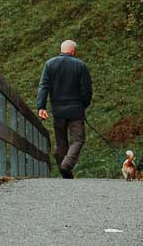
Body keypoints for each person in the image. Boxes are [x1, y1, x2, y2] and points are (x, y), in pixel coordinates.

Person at [36, 39, 92, 179]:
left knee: (61, 141)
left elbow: (44, 86)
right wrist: (83, 105)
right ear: (73, 51)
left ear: (61, 50)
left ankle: (64, 169)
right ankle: (66, 165)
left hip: (58, 110)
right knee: (77, 140)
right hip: (76, 110)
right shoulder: (81, 65)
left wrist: (41, 106)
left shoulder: (50, 64)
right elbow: (87, 90)